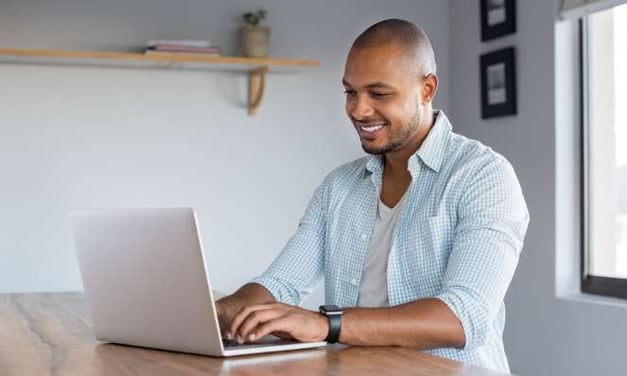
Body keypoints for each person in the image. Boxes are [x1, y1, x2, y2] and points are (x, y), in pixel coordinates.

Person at [216, 18, 528, 373]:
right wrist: (219, 311)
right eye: (350, 92)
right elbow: (281, 284)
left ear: (426, 89)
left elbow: (463, 316)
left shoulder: (482, 176)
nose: (358, 110)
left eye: (378, 94)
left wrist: (327, 324)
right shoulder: (339, 188)